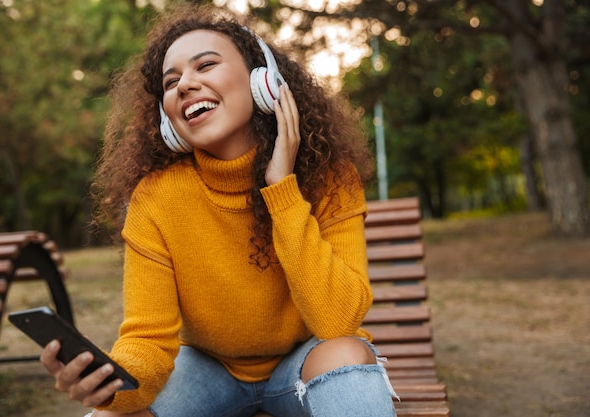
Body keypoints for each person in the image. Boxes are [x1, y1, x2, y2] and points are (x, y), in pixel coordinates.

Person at [40, 3, 398, 417]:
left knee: (347, 355)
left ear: (263, 82)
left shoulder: (329, 177)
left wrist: (281, 188)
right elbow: (148, 341)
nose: (184, 85)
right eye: (170, 82)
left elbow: (337, 323)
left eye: (204, 66)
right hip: (206, 372)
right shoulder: (155, 199)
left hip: (303, 362)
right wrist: (106, 384)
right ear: (167, 117)